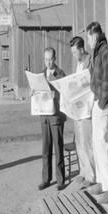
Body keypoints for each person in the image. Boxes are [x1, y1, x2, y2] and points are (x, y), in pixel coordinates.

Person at [86, 22, 108, 204]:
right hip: (99, 102)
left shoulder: (105, 51)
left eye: (89, 37)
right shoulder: (98, 52)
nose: (88, 41)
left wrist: (101, 102)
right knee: (96, 143)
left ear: (95, 35)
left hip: (104, 104)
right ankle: (100, 181)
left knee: (102, 142)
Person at [33, 47, 66, 191]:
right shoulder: (40, 75)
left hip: (56, 116)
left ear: (55, 58)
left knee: (58, 148)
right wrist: (33, 92)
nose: (48, 62)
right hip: (44, 116)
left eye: (51, 59)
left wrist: (56, 95)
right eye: (46, 59)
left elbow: (66, 94)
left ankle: (60, 180)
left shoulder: (61, 74)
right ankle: (46, 179)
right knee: (45, 149)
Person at [69, 36, 96, 188]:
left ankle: (91, 175)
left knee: (87, 143)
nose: (74, 56)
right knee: (79, 142)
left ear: (81, 49)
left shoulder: (89, 62)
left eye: (75, 52)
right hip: (77, 108)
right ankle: (83, 171)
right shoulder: (79, 64)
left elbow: (90, 84)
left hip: (86, 109)